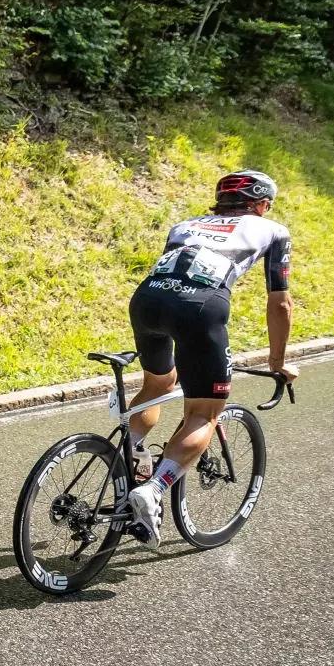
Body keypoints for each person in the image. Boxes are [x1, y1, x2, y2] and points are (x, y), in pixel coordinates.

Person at [124, 170, 296, 543]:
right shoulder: (273, 230)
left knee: (159, 382)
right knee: (203, 411)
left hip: (147, 301)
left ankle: (129, 453)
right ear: (262, 204)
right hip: (200, 309)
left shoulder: (184, 224)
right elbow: (279, 303)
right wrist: (277, 361)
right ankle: (152, 491)